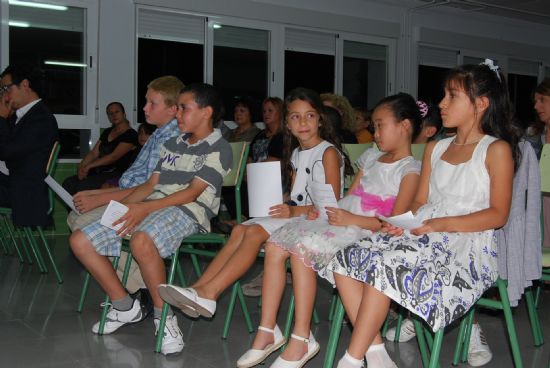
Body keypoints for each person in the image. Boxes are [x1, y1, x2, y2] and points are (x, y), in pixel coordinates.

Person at [325, 60, 520, 368]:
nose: (441, 103)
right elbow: (419, 203)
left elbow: (498, 215)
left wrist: (440, 224)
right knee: (345, 257)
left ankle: (351, 358)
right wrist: (399, 223)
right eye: (444, 94)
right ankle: (375, 352)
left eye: (452, 96)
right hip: (425, 232)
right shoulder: (435, 148)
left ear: (481, 104)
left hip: (465, 245)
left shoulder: (496, 150)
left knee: (382, 265)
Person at [239, 93, 422, 368]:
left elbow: (395, 222)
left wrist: (349, 218)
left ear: (404, 126)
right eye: (374, 125)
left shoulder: (411, 169)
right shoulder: (371, 157)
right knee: (280, 244)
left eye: (380, 125)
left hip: (369, 229)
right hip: (347, 218)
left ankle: (311, 339)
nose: (375, 132)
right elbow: (350, 195)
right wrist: (325, 210)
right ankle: (296, 335)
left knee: (303, 249)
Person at [157, 88, 348, 325]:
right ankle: (198, 290)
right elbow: (297, 194)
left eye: (309, 115)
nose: (303, 122)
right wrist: (278, 205)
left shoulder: (328, 152)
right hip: (298, 216)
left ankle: (210, 292)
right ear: (287, 123)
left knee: (254, 232)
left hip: (318, 223)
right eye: (295, 117)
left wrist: (293, 211)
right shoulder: (298, 153)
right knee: (240, 230)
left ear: (320, 119)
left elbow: (331, 205)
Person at [68, 83, 232, 355]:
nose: (178, 113)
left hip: (188, 211)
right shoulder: (171, 143)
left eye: (184, 108)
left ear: (206, 112)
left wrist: (145, 209)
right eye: (177, 107)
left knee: (142, 240)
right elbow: (149, 186)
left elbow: (191, 193)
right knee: (80, 240)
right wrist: (121, 206)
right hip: (153, 204)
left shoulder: (218, 147)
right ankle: (124, 307)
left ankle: (164, 316)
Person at [67, 76, 184, 295]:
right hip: (133, 195)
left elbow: (152, 188)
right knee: (74, 216)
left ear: (172, 109)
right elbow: (136, 181)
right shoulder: (158, 134)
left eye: (152, 103)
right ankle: (131, 283)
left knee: (83, 224)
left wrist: (103, 198)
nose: (144, 108)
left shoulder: (173, 138)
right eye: (145, 101)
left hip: (147, 202)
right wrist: (97, 193)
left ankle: (140, 288)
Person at [0, 64, 59, 227]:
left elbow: (5, 151)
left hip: (26, 190)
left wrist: (2, 119)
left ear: (24, 85)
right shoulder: (21, 116)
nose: (4, 95)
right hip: (13, 181)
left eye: (6, 88)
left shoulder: (40, 118)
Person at [62, 102, 138, 194]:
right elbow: (94, 152)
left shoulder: (131, 134)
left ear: (124, 114)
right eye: (110, 113)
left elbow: (113, 157)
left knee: (83, 186)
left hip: (116, 174)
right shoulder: (107, 132)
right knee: (68, 183)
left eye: (117, 112)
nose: (114, 115)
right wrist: (82, 166)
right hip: (99, 172)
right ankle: (73, 209)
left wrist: (89, 166)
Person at [101, 122, 157, 189]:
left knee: (110, 189)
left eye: (147, 133)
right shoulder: (136, 150)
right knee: (105, 185)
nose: (142, 136)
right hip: (126, 176)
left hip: (140, 182)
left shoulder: (155, 153)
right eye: (140, 133)